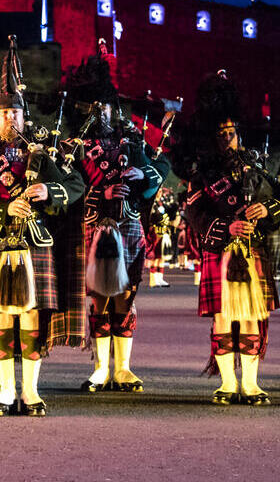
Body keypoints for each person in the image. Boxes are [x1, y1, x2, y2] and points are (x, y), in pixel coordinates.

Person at [0, 38, 84, 416]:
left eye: (16, 113)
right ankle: (4, 392)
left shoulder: (45, 148)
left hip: (36, 241)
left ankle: (30, 392)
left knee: (31, 315)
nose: (11, 119)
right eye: (4, 114)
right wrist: (3, 207)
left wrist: (50, 190)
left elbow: (77, 184)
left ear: (23, 115)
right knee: (2, 316)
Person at [171, 71, 280, 406]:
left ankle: (250, 385)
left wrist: (266, 211)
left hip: (252, 252)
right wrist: (227, 228)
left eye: (231, 132)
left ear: (239, 133)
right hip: (221, 251)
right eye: (221, 133)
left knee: (251, 316)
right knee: (224, 316)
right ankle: (226, 383)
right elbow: (194, 215)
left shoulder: (255, 166)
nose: (227, 138)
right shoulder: (202, 173)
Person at [58, 51, 159, 394]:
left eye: (108, 106)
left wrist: (141, 173)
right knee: (100, 296)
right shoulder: (74, 147)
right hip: (95, 225)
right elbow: (70, 190)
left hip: (128, 225)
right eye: (97, 106)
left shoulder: (131, 141)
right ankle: (101, 368)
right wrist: (102, 192)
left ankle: (125, 369)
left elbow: (156, 179)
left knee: (127, 295)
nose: (103, 112)